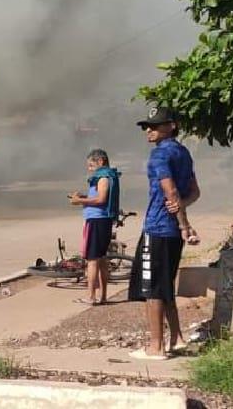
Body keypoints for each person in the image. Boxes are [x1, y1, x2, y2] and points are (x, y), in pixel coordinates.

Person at [128, 106, 201, 361]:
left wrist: (183, 224)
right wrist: (183, 213)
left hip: (158, 229)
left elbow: (171, 193)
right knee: (165, 285)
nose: (149, 130)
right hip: (171, 233)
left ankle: (155, 347)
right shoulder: (183, 152)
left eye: (155, 125)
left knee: (153, 290)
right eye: (147, 126)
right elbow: (193, 192)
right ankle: (177, 337)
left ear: (171, 125)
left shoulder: (159, 156)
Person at [68, 149, 120, 306]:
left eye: (91, 165)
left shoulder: (103, 177)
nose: (90, 169)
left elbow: (101, 199)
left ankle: (91, 296)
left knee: (92, 260)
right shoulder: (106, 176)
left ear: (101, 162)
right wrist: (84, 196)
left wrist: (80, 201)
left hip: (97, 220)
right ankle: (103, 296)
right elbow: (98, 197)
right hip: (101, 220)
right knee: (102, 259)